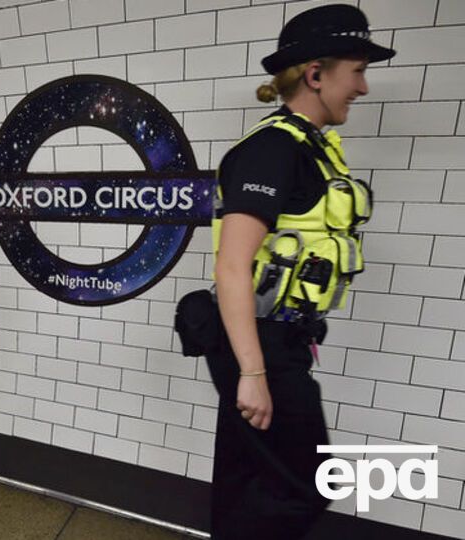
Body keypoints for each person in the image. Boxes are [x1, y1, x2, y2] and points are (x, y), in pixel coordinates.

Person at [205, 5, 394, 538]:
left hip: (279, 339)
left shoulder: (312, 148)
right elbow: (232, 265)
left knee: (249, 475)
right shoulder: (272, 149)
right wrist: (254, 373)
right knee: (307, 485)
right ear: (315, 74)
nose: (362, 86)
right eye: (355, 70)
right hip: (260, 344)